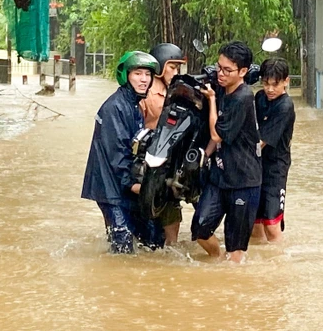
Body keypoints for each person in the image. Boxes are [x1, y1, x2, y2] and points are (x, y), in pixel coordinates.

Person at [81, 51, 164, 254]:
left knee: (153, 238)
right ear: (126, 75)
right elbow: (117, 154)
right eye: (138, 73)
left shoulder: (134, 104)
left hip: (125, 185)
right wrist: (136, 185)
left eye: (147, 74)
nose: (144, 79)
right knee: (122, 244)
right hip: (111, 188)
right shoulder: (114, 108)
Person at [191, 41, 261, 263]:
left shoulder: (243, 97)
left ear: (243, 72)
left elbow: (217, 136)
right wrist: (203, 157)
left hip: (243, 181)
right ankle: (217, 257)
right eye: (219, 67)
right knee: (199, 228)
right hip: (219, 178)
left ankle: (232, 283)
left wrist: (212, 100)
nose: (220, 74)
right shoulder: (221, 87)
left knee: (236, 247)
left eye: (227, 70)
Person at [139, 43, 187, 245]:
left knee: (172, 212)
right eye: (172, 68)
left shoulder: (177, 91)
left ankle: (170, 250)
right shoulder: (147, 94)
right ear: (159, 67)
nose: (176, 72)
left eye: (178, 68)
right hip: (150, 164)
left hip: (171, 163)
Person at [251, 58, 295, 244]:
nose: (270, 89)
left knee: (271, 222)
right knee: (254, 222)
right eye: (266, 84)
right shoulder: (259, 97)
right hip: (256, 164)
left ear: (286, 81)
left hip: (275, 168)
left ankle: (278, 260)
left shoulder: (285, 106)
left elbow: (261, 141)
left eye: (275, 84)